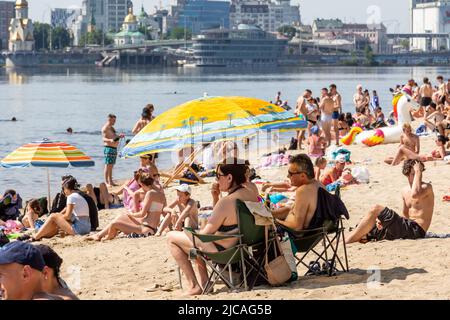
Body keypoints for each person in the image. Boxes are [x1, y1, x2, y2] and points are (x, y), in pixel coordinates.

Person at [167, 158, 259, 295]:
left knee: (172, 238)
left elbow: (204, 236)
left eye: (218, 176)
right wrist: (215, 197)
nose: (216, 181)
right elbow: (226, 218)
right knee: (195, 238)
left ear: (229, 177)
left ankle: (195, 285)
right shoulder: (252, 191)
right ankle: (204, 282)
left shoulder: (227, 201)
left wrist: (189, 230)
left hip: (223, 252)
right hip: (242, 246)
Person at [346, 160, 434, 244]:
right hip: (406, 228)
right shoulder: (405, 190)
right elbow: (405, 215)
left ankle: (346, 242)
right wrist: (386, 222)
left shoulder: (426, 187)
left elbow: (415, 194)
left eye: (419, 173)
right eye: (413, 174)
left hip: (417, 230)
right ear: (407, 175)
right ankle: (342, 241)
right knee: (368, 226)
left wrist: (418, 171)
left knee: (376, 209)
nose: (418, 176)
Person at [272, 154, 348, 231]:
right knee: (284, 209)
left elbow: (297, 227)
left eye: (290, 173)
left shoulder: (303, 191)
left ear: (302, 176)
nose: (288, 176)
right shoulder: (319, 185)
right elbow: (293, 210)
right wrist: (271, 214)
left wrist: (275, 221)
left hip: (292, 235)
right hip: (316, 231)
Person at [87, 172, 166, 241]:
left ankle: (107, 236)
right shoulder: (161, 194)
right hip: (150, 227)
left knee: (114, 223)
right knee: (121, 217)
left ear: (142, 184)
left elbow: (142, 214)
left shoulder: (150, 193)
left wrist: (131, 214)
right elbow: (163, 211)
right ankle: (99, 235)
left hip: (146, 229)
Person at [102, 114, 125, 187]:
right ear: (109, 119)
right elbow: (103, 139)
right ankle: (106, 182)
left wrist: (119, 136)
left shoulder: (111, 128)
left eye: (115, 120)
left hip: (114, 148)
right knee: (107, 165)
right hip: (108, 148)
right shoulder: (105, 128)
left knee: (111, 166)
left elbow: (114, 137)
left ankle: (111, 181)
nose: (114, 122)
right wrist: (110, 140)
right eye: (113, 120)